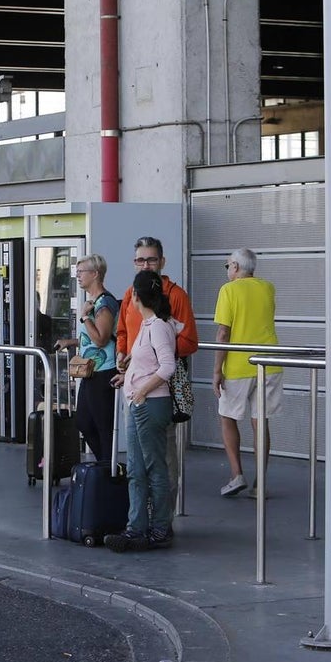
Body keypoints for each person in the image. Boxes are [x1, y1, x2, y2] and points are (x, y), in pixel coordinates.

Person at [114, 236, 198, 502]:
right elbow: (122, 331)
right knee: (136, 460)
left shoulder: (176, 295)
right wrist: (121, 354)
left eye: (151, 260)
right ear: (134, 262)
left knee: (163, 457)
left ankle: (163, 516)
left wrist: (152, 354)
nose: (146, 265)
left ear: (162, 261)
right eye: (140, 260)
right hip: (133, 387)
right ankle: (141, 515)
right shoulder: (131, 294)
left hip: (161, 388)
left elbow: (189, 341)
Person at [105, 270, 181, 553]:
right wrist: (129, 374)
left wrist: (142, 390)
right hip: (140, 402)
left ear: (136, 296)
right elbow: (151, 364)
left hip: (149, 403)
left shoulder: (158, 326)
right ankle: (136, 527)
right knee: (137, 469)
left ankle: (159, 528)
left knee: (153, 467)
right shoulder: (150, 325)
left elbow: (167, 367)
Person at [213, 248, 282, 498]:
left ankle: (236, 475)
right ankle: (259, 483)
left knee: (227, 417)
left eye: (227, 266)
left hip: (238, 365)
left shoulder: (228, 290)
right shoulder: (268, 288)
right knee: (260, 421)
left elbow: (223, 333)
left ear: (235, 266)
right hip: (269, 363)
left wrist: (217, 370)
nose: (227, 270)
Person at [54, 254, 120, 463]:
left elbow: (101, 339)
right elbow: (91, 338)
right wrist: (72, 342)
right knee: (83, 421)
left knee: (103, 425)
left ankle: (108, 468)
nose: (78, 276)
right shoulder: (92, 302)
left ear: (95, 274)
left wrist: (84, 317)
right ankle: (104, 464)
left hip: (104, 371)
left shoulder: (104, 303)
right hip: (90, 370)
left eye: (81, 272)